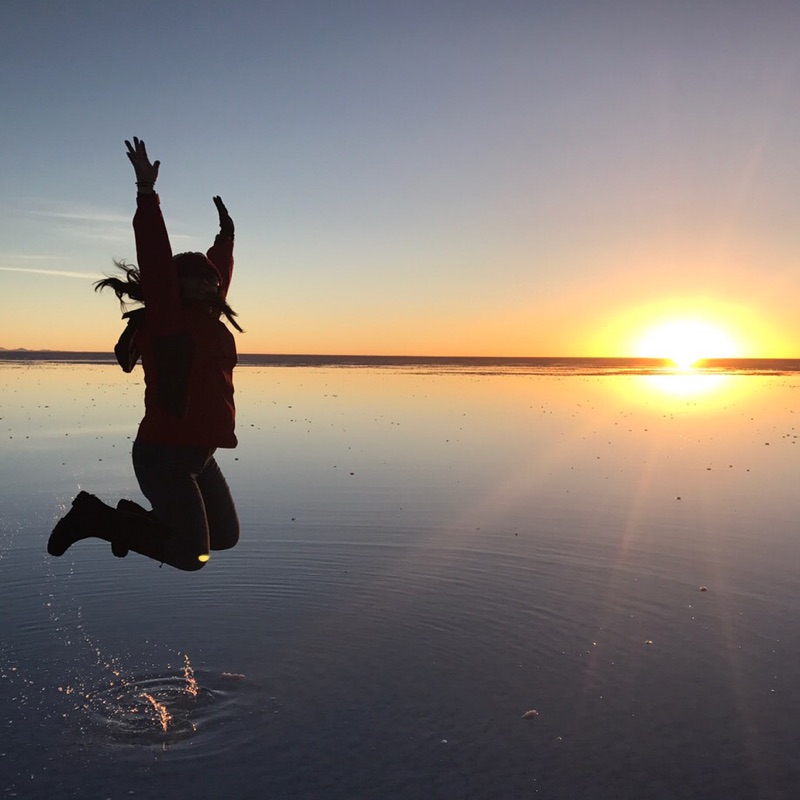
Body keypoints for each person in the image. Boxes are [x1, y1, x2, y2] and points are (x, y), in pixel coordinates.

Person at [48, 136, 241, 571]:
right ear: (176, 286)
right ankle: (96, 519)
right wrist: (146, 193)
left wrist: (226, 237)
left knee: (223, 537)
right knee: (195, 554)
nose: (209, 285)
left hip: (200, 454)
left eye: (211, 281)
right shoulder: (169, 321)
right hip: (164, 454)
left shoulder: (208, 320)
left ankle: (131, 521)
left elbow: (217, 274)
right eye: (196, 280)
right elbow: (155, 258)